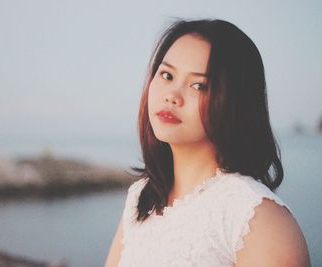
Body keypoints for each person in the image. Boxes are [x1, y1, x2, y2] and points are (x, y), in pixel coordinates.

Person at [105, 18, 310, 266]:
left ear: (235, 101)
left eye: (199, 85)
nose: (172, 96)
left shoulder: (256, 218)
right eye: (167, 75)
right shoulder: (141, 197)